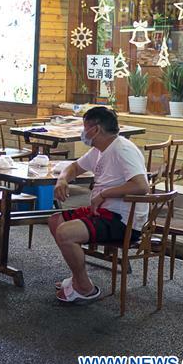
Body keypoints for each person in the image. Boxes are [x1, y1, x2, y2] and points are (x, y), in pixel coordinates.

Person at [48, 107, 149, 304]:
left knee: (65, 233)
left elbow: (141, 185)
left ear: (95, 129)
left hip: (122, 220)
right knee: (55, 220)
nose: (83, 132)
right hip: (103, 212)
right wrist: (62, 180)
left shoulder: (123, 149)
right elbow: (74, 167)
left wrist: (103, 194)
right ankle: (78, 279)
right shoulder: (100, 150)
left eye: (85, 127)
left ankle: (85, 289)